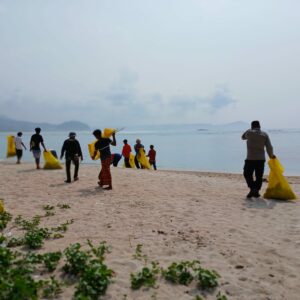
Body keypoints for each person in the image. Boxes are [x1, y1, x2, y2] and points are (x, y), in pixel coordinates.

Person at [242, 120, 275, 198]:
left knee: (247, 174)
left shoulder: (249, 133)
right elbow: (269, 147)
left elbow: (242, 137)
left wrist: (248, 130)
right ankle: (256, 191)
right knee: (259, 176)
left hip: (250, 158)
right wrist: (271, 156)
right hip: (261, 159)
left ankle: (252, 188)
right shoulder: (264, 134)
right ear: (260, 126)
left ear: (252, 126)